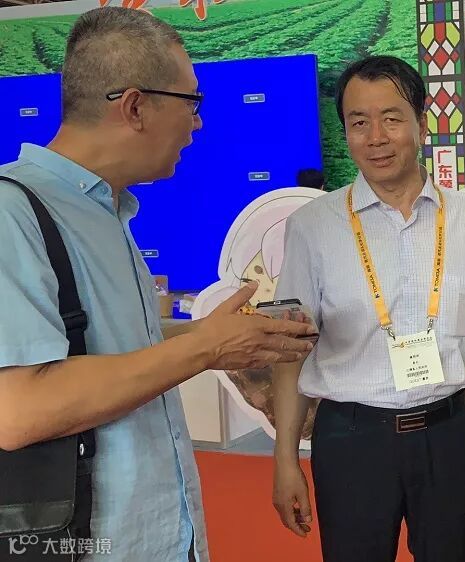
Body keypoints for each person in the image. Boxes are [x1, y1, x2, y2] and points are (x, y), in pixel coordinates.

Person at [0, 8, 315, 562]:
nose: (198, 124)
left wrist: (218, 339)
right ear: (135, 106)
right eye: (192, 102)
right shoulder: (14, 213)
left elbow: (105, 350)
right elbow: (19, 408)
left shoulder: (107, 210)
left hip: (164, 532)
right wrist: (205, 347)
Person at [271, 55, 465, 562]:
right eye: (358, 123)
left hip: (449, 433)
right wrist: (284, 458)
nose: (376, 138)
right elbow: (291, 350)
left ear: (421, 124)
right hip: (352, 439)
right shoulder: (312, 227)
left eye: (391, 119)